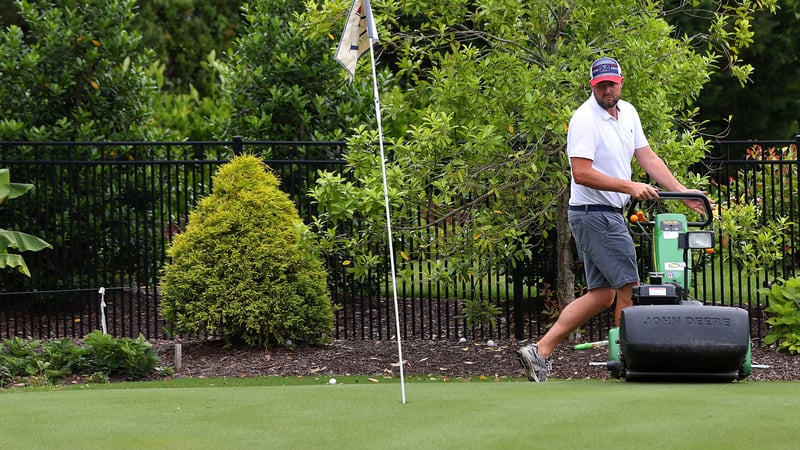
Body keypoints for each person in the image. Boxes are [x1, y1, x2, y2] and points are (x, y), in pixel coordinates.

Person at [517, 57, 706, 382]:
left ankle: (540, 350)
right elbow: (582, 173)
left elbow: (646, 155)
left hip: (603, 214)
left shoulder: (628, 113)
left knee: (603, 294)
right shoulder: (584, 120)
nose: (607, 89)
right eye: (600, 84)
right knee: (629, 288)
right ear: (592, 86)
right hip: (595, 215)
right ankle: (626, 362)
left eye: (611, 83)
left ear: (620, 82)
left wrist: (680, 190)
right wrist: (630, 186)